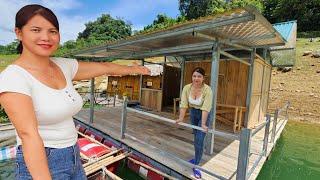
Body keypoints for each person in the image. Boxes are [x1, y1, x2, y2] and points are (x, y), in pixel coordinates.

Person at [0, 4, 150, 180]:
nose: (46, 37)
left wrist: (135, 69)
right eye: (36, 30)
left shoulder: (64, 66)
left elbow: (104, 67)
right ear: (19, 33)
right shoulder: (13, 77)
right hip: (41, 161)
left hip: (73, 154)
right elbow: (29, 137)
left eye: (53, 31)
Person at [176, 67, 212, 179]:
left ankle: (196, 165)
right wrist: (181, 118)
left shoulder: (207, 90)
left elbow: (206, 107)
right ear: (192, 77)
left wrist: (203, 124)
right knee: (196, 138)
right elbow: (183, 104)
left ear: (203, 78)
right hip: (193, 113)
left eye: (199, 76)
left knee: (199, 140)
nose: (196, 78)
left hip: (204, 115)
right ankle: (197, 158)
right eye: (194, 76)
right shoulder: (187, 88)